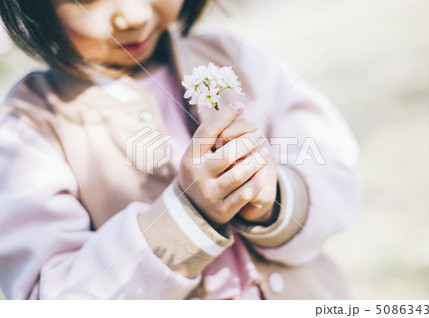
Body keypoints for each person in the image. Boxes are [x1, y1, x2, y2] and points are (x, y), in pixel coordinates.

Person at [0, 0, 362, 299]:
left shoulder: (237, 60)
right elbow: (50, 296)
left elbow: (333, 166)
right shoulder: (29, 127)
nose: (134, 15)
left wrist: (274, 198)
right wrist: (187, 215)